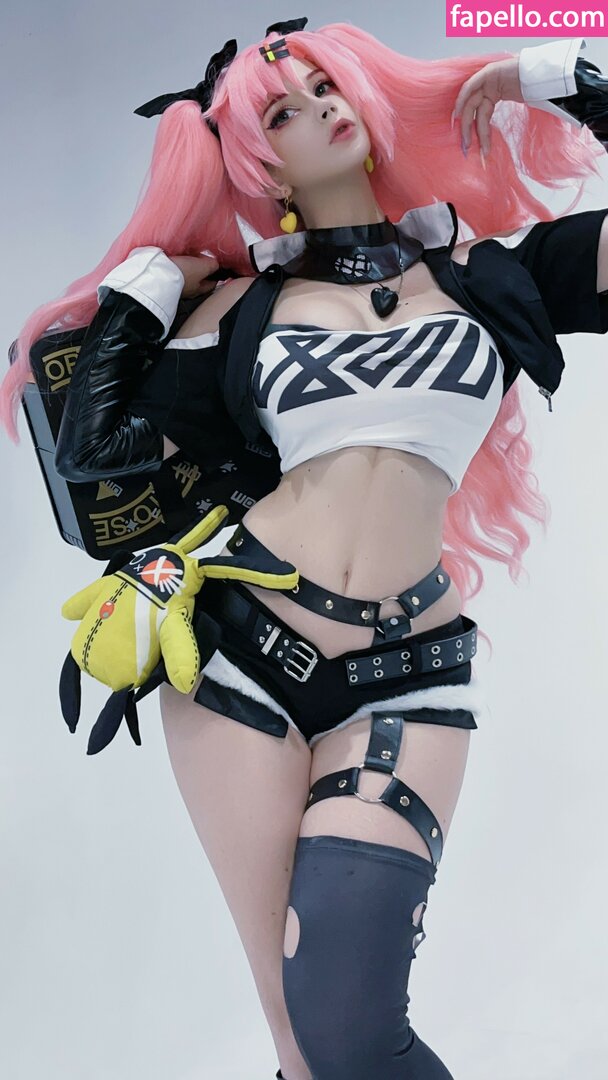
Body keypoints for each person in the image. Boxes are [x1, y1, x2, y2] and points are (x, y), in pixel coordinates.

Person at [3, 18, 608, 1080]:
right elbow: (94, 451)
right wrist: (139, 303)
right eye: (283, 109)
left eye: (328, 86)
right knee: (299, 1039)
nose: (321, 108)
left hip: (410, 671)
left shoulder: (486, 273)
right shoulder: (239, 310)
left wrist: (561, 77)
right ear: (257, 161)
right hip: (238, 658)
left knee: (348, 1025)